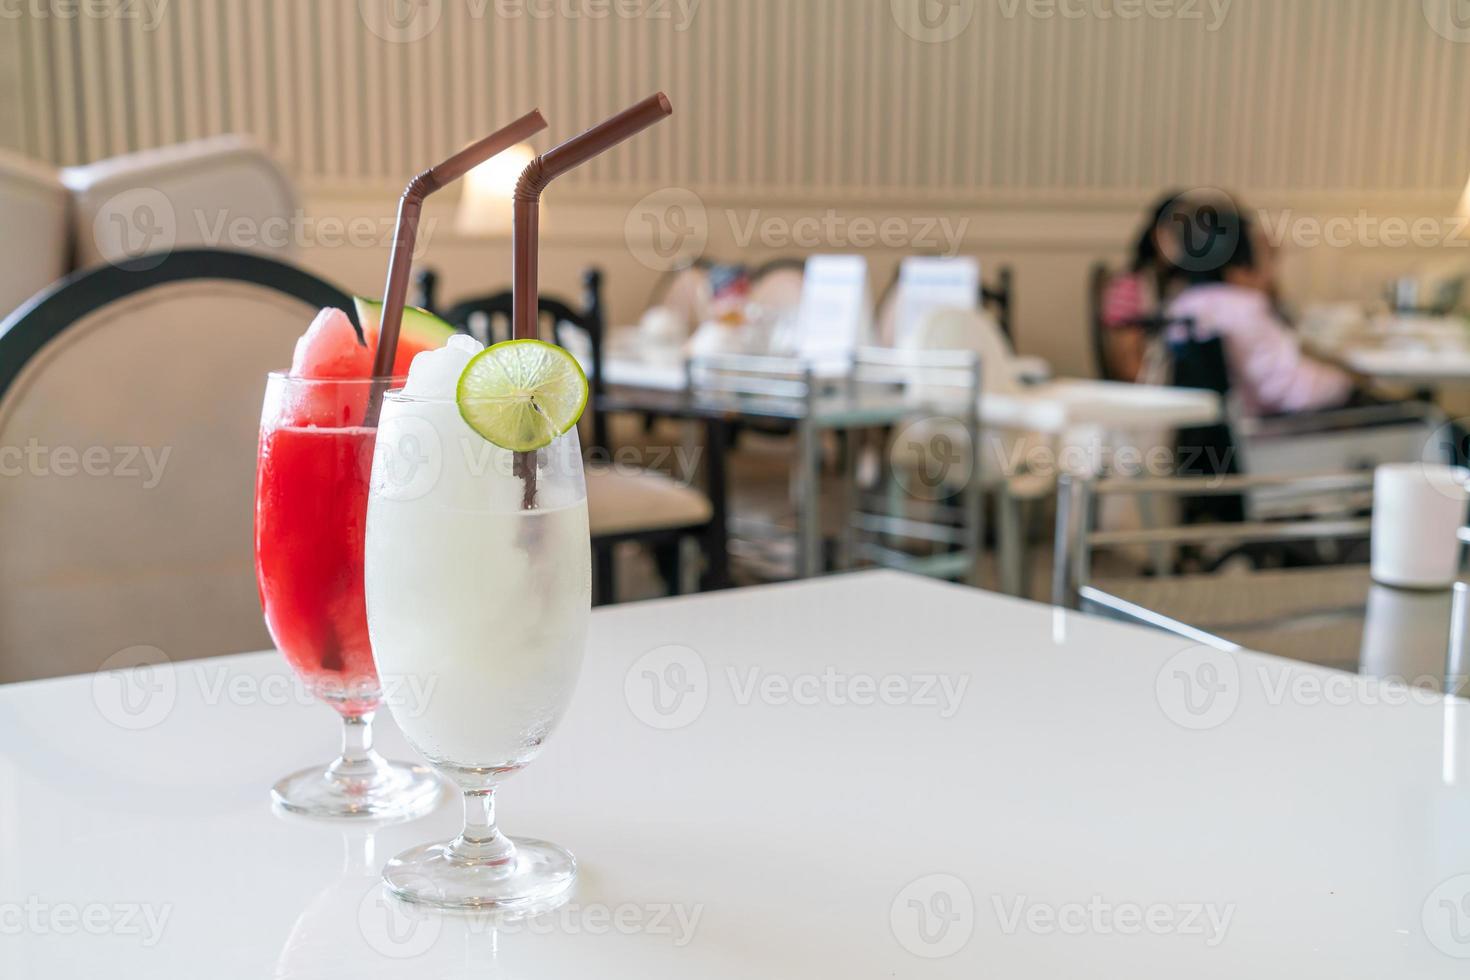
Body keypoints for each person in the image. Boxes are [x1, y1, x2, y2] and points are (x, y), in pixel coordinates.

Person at [1156, 194, 1356, 417]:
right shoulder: (1242, 309)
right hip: (1266, 433)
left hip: (1213, 431)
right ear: (1241, 258)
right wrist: (1346, 380)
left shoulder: (1182, 305)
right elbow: (1286, 389)